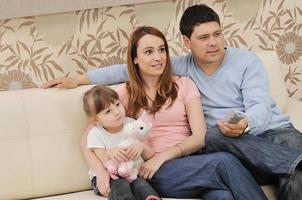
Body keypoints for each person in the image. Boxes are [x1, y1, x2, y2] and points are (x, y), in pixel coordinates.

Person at [41, 4, 302, 199]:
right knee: (222, 157)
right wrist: (81, 78)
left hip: (254, 138)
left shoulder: (189, 81)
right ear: (187, 43)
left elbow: (253, 111)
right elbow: (91, 132)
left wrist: (245, 122)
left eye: (162, 50)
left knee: (224, 191)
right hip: (161, 165)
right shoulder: (126, 92)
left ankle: (295, 161)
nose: (213, 43)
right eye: (203, 37)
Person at [82, 85, 161, 200]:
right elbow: (103, 160)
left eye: (117, 104)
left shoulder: (132, 125)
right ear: (96, 120)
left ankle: (152, 198)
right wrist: (109, 153)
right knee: (120, 184)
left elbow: (150, 155)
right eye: (108, 111)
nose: (117, 112)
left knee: (141, 184)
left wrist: (142, 146)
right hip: (108, 177)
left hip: (131, 174)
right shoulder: (96, 134)